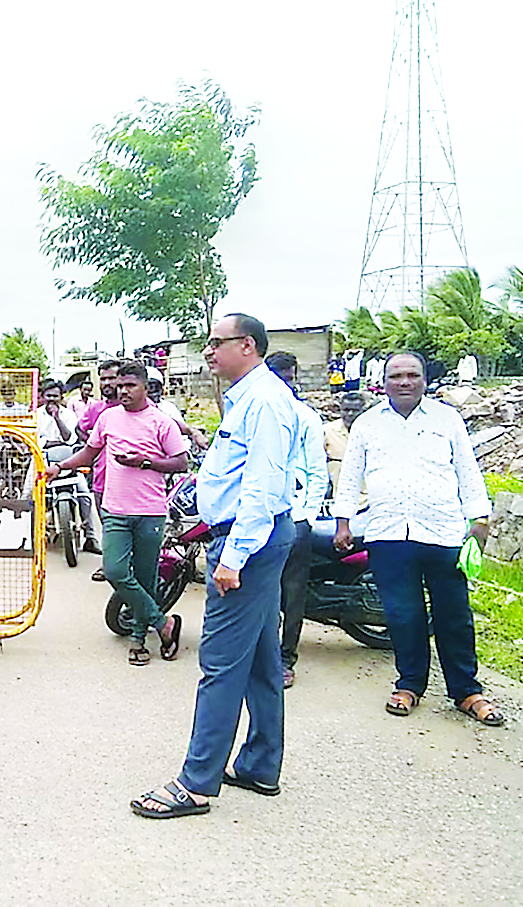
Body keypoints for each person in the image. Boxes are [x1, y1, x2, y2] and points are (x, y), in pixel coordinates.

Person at [131, 313, 299, 819]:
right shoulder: (249, 397)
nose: (207, 352)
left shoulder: (265, 402)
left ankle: (197, 781)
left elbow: (263, 486)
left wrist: (234, 555)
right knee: (263, 660)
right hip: (254, 537)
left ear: (247, 346)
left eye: (215, 343)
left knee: (221, 664)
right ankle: (259, 765)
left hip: (250, 539)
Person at [333, 352, 503, 727]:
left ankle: (467, 691)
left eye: (412, 375)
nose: (404, 382)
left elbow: (467, 471)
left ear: (424, 380)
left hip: (442, 531)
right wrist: (343, 521)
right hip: (388, 533)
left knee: (453, 614)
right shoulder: (366, 424)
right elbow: (350, 475)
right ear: (384, 382)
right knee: (403, 615)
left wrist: (480, 519)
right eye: (396, 376)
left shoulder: (448, 419)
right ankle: (409, 685)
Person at [46, 363, 189, 664]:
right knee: (115, 571)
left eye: (130, 385)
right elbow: (90, 451)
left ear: (145, 387)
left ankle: (138, 639)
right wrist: (60, 467)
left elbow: (180, 463)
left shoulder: (162, 422)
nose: (123, 390)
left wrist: (145, 462)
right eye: (119, 385)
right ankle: (164, 624)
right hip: (114, 511)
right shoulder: (108, 417)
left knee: (146, 577)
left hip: (150, 513)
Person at [265, 352, 327, 689]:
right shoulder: (253, 412)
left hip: (295, 517)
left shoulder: (306, 418)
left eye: (288, 377)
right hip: (260, 517)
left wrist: (307, 516)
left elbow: (318, 472)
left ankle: (286, 658)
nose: (283, 384)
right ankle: (262, 654)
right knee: (262, 590)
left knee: (292, 592)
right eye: (277, 376)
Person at [34, 381, 101, 555]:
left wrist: (57, 418)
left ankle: (90, 538)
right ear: (42, 397)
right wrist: (52, 442)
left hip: (68, 460)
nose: (51, 400)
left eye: (55, 396)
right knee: (29, 494)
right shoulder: (36, 415)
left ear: (61, 397)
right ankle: (30, 536)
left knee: (85, 495)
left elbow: (70, 439)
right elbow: (36, 441)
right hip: (42, 460)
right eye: (48, 396)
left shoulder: (69, 415)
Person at [78, 360, 124, 580]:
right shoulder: (95, 408)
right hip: (102, 477)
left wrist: (191, 431)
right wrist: (95, 445)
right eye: (103, 378)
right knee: (108, 523)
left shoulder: (135, 406)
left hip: (131, 478)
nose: (106, 383)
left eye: (111, 377)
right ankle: (108, 565)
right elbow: (80, 428)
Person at [146, 366, 208, 450]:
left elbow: (180, 431)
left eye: (154, 387)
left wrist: (194, 433)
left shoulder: (167, 407)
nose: (151, 391)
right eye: (147, 387)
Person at [323, 392, 367, 497]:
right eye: (346, 410)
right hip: (339, 498)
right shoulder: (328, 431)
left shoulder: (374, 432)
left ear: (363, 411)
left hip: (368, 499)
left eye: (355, 411)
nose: (350, 414)